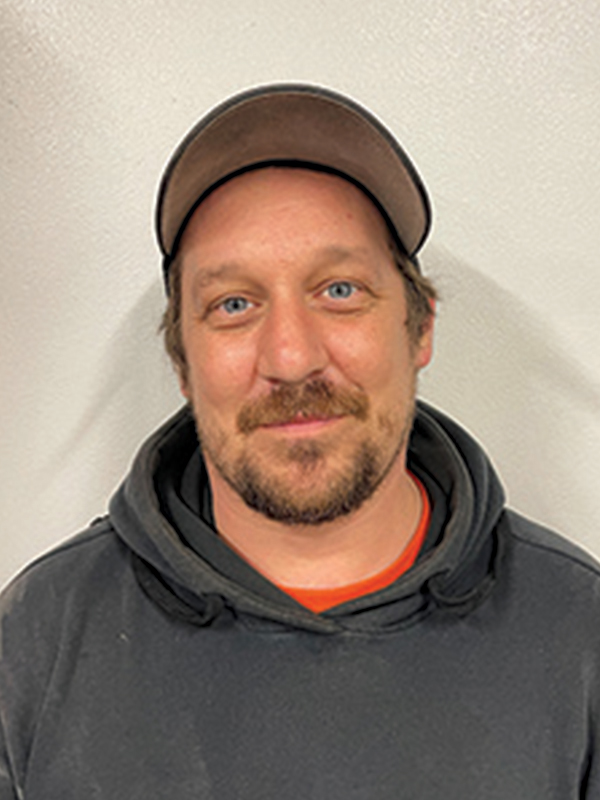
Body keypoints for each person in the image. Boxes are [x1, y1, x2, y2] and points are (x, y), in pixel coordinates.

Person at [1, 84, 599, 800]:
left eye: (339, 290)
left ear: (421, 328)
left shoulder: (577, 634)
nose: (290, 357)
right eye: (234, 304)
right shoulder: (39, 638)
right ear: (183, 363)